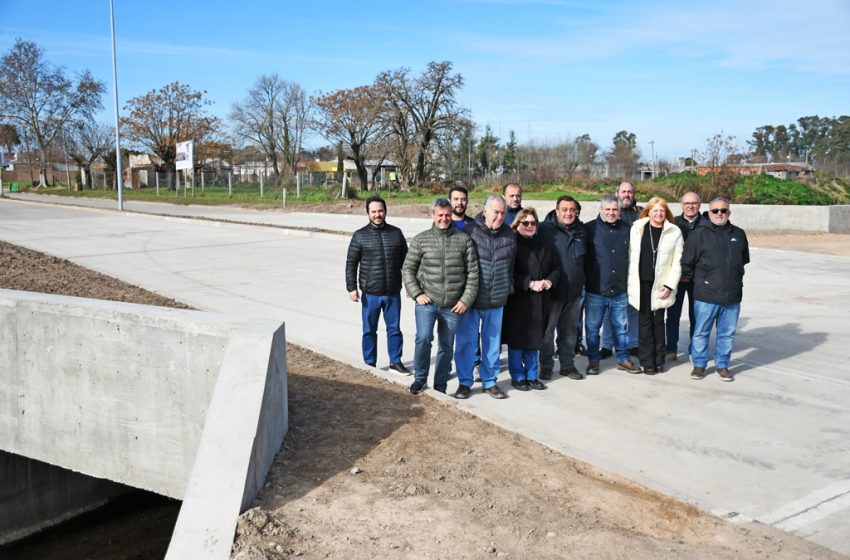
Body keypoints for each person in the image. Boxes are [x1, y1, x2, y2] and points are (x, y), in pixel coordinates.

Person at [402, 198, 479, 394]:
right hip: (427, 301)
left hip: (453, 305)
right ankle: (420, 378)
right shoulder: (421, 239)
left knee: (446, 346)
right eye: (440, 215)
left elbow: (473, 273)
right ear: (433, 215)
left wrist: (465, 300)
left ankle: (440, 385)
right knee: (423, 338)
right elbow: (408, 269)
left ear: (451, 214)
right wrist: (417, 293)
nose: (444, 219)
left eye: (447, 215)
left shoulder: (463, 240)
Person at [454, 194, 517, 399]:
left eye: (503, 213)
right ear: (485, 211)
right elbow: (460, 266)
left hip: (496, 300)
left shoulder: (509, 234)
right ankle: (464, 383)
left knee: (492, 345)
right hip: (472, 300)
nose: (499, 216)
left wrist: (508, 288)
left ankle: (490, 382)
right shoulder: (469, 232)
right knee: (466, 343)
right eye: (496, 212)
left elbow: (512, 265)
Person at [681, 197, 750, 382]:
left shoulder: (739, 234)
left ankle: (722, 365)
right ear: (709, 212)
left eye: (723, 210)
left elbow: (742, 259)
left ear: (729, 212)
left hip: (732, 296)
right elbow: (687, 262)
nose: (719, 213)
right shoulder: (699, 234)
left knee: (726, 334)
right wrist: (701, 282)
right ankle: (699, 365)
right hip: (706, 296)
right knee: (701, 331)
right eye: (715, 211)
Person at [345, 196, 409, 372]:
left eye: (380, 211)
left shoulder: (396, 233)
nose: (377, 215)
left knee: (394, 329)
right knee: (369, 331)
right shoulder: (360, 236)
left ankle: (396, 361)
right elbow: (351, 262)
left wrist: (411, 286)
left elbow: (407, 262)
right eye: (373, 211)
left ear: (385, 211)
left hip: (393, 293)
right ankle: (370, 363)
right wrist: (351, 287)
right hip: (370, 294)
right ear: (368, 213)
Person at [583, 195, 640, 375]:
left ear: (619, 210)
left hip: (620, 290)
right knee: (592, 329)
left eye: (615, 209)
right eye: (607, 209)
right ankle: (593, 360)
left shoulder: (627, 229)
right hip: (596, 290)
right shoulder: (589, 229)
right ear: (601, 210)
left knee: (621, 328)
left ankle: (623, 359)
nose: (611, 213)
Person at [502, 207, 557, 391]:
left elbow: (556, 268)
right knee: (518, 341)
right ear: (518, 224)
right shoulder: (511, 243)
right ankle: (518, 377)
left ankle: (532, 376)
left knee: (535, 340)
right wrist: (529, 283)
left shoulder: (544, 243)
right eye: (525, 222)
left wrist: (550, 281)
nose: (529, 226)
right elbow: (508, 272)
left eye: (533, 223)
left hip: (539, 300)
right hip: (518, 299)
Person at [627, 197, 683, 374]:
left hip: (661, 285)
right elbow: (630, 255)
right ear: (648, 211)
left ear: (666, 213)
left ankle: (659, 360)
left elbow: (677, 262)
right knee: (644, 323)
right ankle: (646, 361)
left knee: (658, 323)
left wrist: (669, 285)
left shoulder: (674, 232)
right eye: (655, 210)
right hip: (641, 283)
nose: (659, 213)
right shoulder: (637, 228)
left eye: (662, 210)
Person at [537, 195, 585, 380]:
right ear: (556, 211)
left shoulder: (581, 231)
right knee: (547, 334)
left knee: (569, 333)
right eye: (564, 209)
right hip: (551, 293)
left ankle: (567, 365)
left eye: (572, 210)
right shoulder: (543, 229)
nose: (568, 213)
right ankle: (547, 366)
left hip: (573, 293)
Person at [601, 181, 642, 358]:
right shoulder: (609, 212)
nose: (626, 195)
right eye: (623, 191)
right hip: (613, 269)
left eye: (630, 192)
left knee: (633, 309)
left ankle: (633, 343)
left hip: (634, 269)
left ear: (634, 194)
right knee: (609, 310)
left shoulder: (641, 213)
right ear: (617, 193)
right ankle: (607, 345)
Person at [665, 192, 703, 361]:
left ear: (699, 205)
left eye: (694, 203)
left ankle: (694, 348)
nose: (690, 206)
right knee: (673, 316)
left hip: (698, 280)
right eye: (687, 203)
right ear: (681, 205)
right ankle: (671, 348)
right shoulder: (673, 224)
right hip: (677, 279)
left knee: (697, 317)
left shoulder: (707, 223)